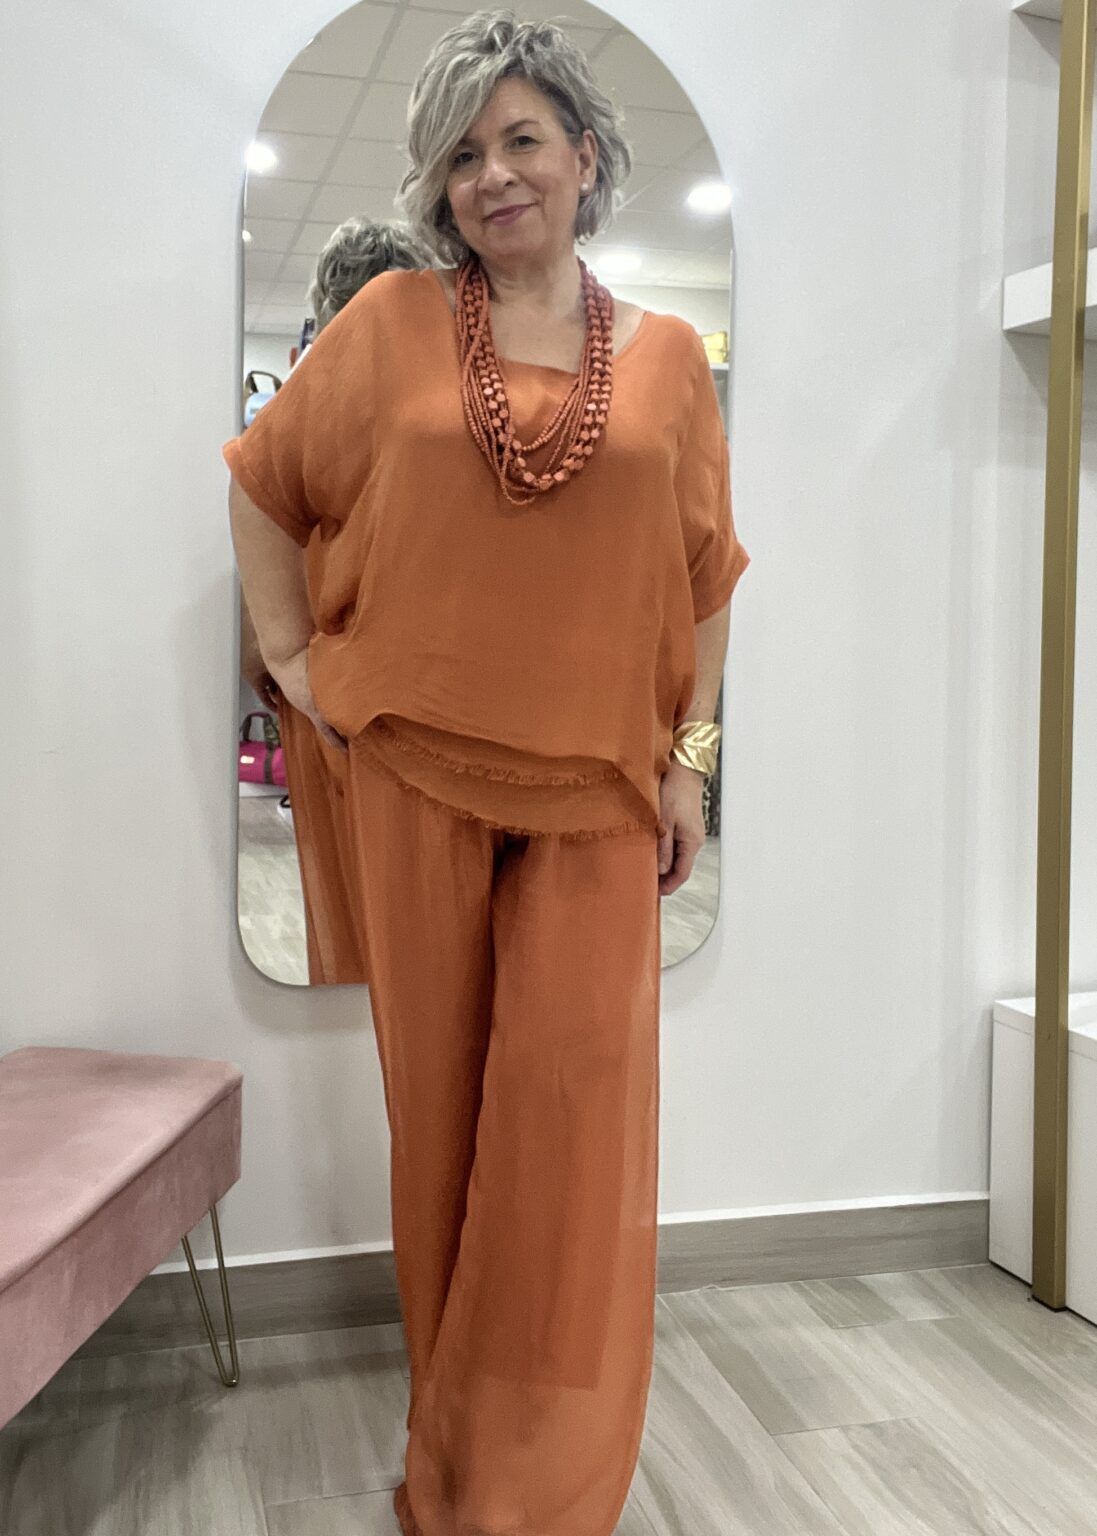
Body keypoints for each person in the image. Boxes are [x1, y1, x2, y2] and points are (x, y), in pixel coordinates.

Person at [223, 10, 750, 1534]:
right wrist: (295, 660)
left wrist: (688, 759)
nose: (492, 175)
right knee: (444, 1127)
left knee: (569, 1131)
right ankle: (452, 1453)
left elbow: (705, 579)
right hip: (415, 771)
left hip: (594, 792)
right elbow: (264, 486)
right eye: (461, 154)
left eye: (520, 139)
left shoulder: (665, 361)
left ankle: (534, 1475)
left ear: (585, 154)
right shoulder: (390, 322)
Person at [237, 216, 431, 984]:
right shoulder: (436, 412)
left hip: (327, 694)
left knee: (355, 936)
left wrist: (285, 663)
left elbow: (254, 622)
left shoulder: (302, 409)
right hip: (397, 702)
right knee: (423, 941)